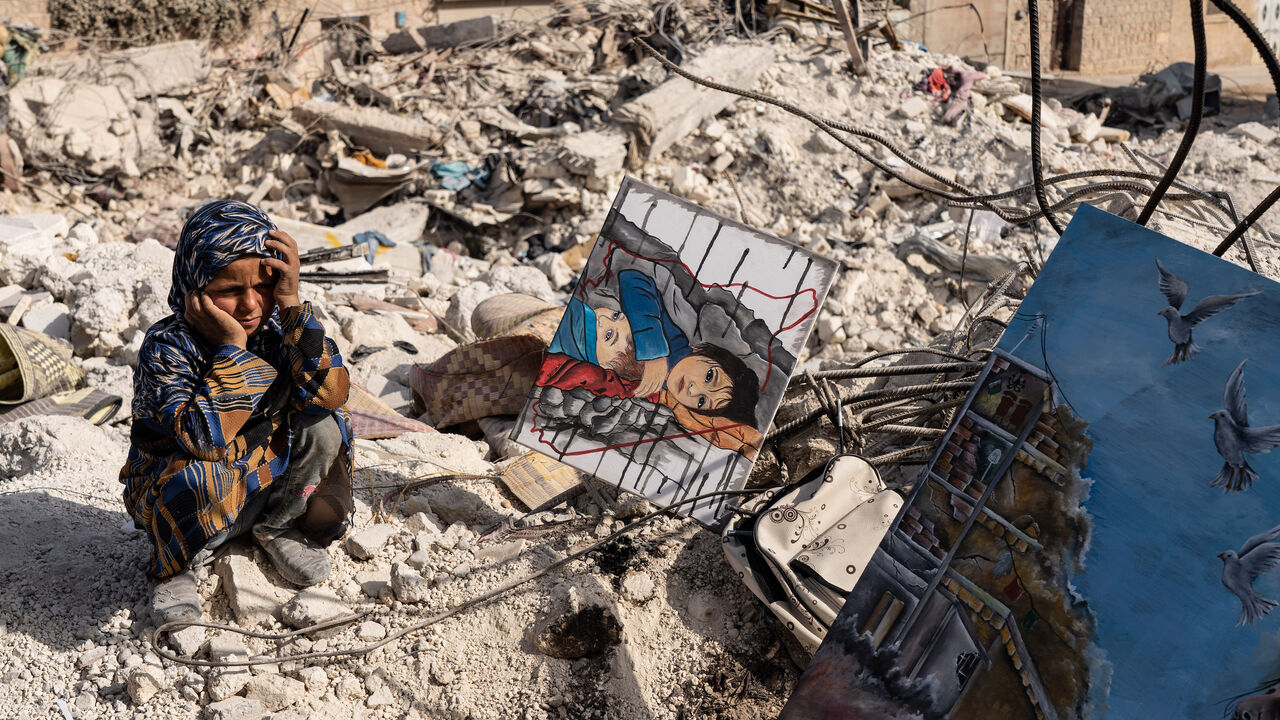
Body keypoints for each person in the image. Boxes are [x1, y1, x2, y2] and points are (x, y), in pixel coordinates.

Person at [120, 200, 353, 625]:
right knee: (200, 474)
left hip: (254, 479)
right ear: (194, 289)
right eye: (228, 291)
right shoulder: (168, 347)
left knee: (325, 427)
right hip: (182, 494)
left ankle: (277, 526)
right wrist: (232, 350)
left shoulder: (279, 325)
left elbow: (331, 394)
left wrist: (291, 303)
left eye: (262, 286)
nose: (249, 305)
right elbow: (204, 442)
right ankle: (177, 567)